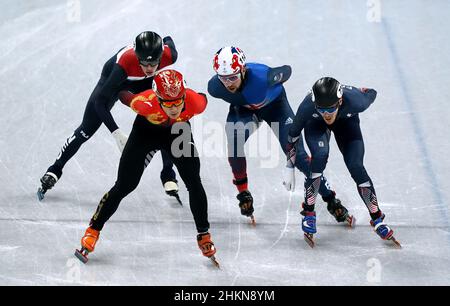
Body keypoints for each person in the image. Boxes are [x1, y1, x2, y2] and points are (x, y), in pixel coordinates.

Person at [75, 69, 218, 266]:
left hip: (178, 133)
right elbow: (123, 94)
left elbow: (202, 97)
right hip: (145, 134)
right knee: (125, 185)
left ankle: (204, 234)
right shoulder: (144, 103)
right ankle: (93, 230)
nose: (174, 108)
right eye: (168, 103)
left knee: (194, 182)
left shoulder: (195, 102)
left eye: (178, 101)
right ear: (158, 99)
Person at [207, 46, 350, 225]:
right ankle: (243, 192)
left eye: (233, 77)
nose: (228, 84)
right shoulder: (215, 87)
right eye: (223, 78)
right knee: (234, 141)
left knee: (298, 157)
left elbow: (287, 70)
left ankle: (330, 199)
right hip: (245, 110)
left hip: (276, 108)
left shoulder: (261, 78)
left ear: (243, 70)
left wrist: (273, 77)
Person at [38, 31, 180, 201]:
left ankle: (168, 174)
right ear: (137, 56)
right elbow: (100, 103)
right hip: (116, 83)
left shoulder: (169, 55)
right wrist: (116, 133)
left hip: (142, 84)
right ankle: (55, 169)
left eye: (154, 63)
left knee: (166, 117)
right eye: (144, 63)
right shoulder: (123, 64)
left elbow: (168, 39)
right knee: (87, 129)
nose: (149, 69)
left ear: (160, 56)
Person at [287, 77, 400, 247]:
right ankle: (308, 213)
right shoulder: (307, 107)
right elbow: (292, 137)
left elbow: (371, 93)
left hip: (347, 122)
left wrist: (361, 90)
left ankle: (377, 219)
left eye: (330, 109)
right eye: (322, 109)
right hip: (315, 123)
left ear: (340, 101)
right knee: (319, 157)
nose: (326, 114)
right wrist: (289, 167)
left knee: (356, 166)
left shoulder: (357, 101)